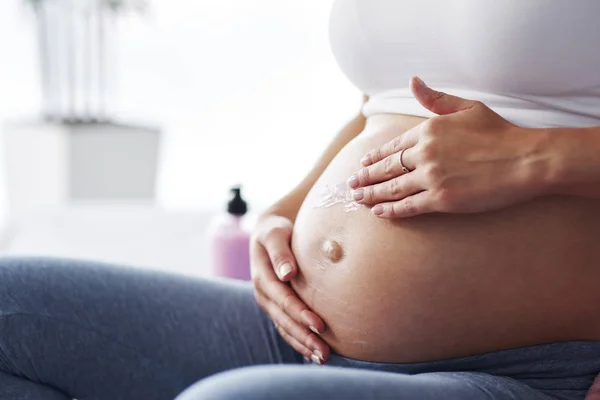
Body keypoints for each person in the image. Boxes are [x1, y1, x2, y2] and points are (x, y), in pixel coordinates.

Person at [3, 1, 600, 399]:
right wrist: (283, 212)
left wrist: (533, 158)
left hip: (528, 369)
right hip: (297, 333)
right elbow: (386, 102)